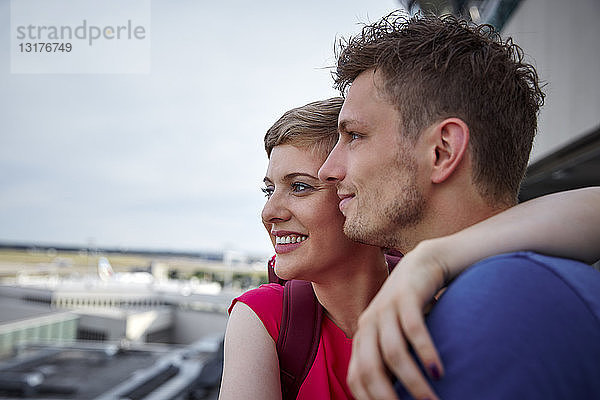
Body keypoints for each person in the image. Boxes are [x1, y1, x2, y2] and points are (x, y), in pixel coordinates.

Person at [218, 97, 600, 399]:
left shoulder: (436, 287)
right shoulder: (265, 318)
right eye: (270, 190)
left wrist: (436, 260)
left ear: (351, 191)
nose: (269, 212)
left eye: (300, 186)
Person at [317, 11, 600, 400]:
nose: (327, 170)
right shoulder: (502, 290)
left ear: (442, 150)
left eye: (354, 135)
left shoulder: (503, 306)